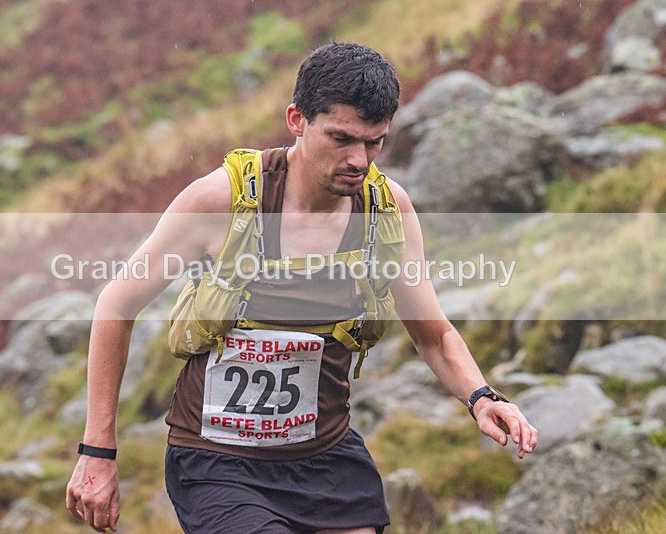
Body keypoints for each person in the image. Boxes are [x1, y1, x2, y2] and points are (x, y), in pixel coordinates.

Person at [66, 42, 538, 534]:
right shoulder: (223, 200)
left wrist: (483, 397)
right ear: (297, 119)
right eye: (341, 138)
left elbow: (433, 335)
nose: (359, 160)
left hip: (325, 459)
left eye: (374, 143)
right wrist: (98, 451)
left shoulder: (385, 212)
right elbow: (117, 303)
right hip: (217, 462)